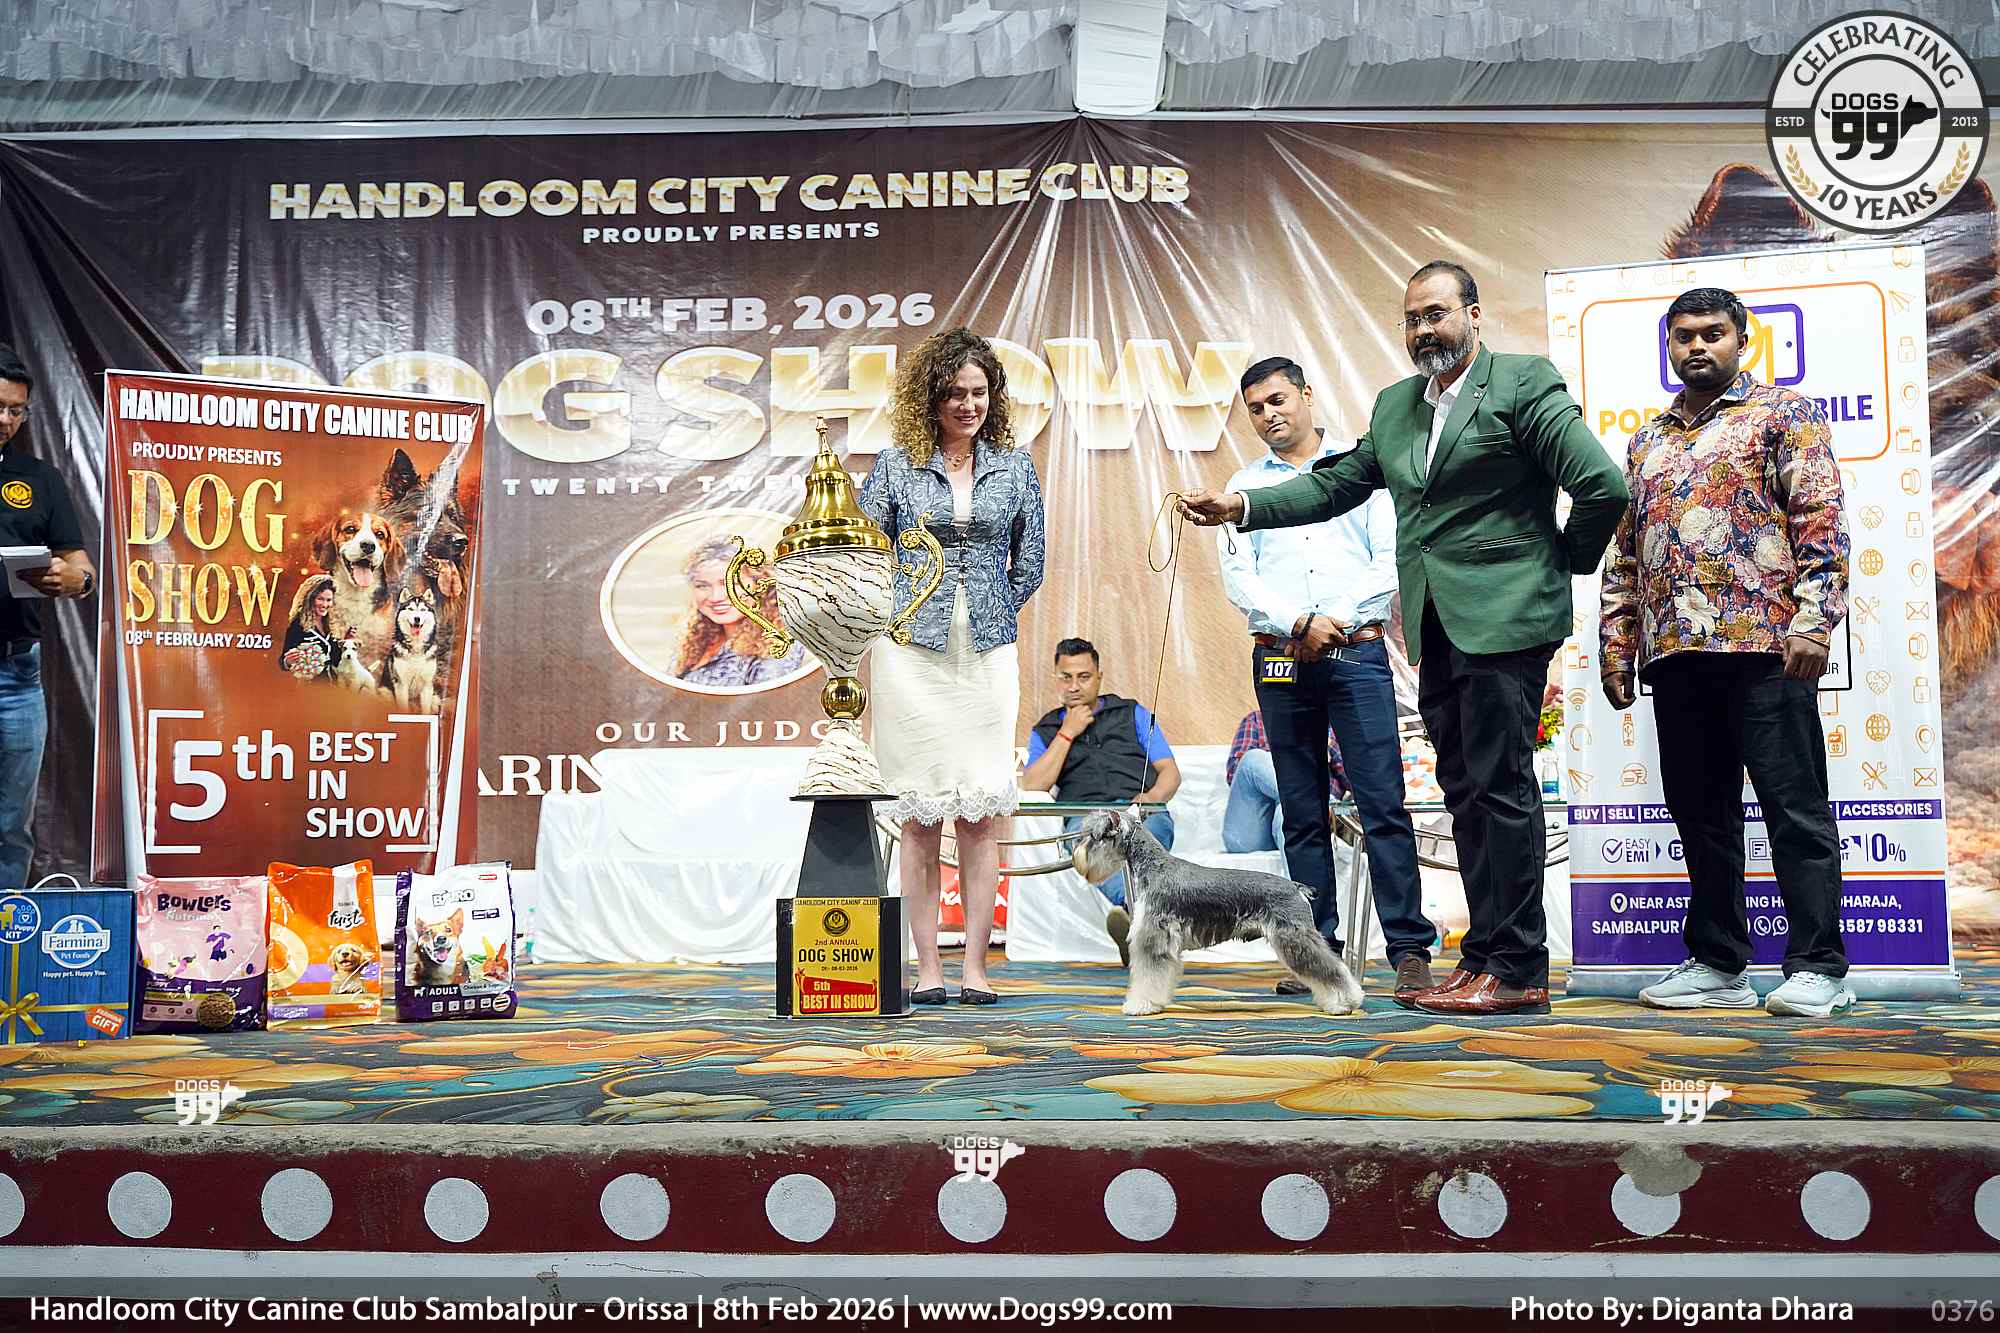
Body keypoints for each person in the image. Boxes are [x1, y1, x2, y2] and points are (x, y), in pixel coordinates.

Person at [1178, 261, 1629, 1017]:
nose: (1423, 330)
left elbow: (1602, 487)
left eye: (1436, 313)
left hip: (1507, 620)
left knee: (1502, 791)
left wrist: (1556, 564)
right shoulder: (1396, 407)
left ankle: (1520, 967)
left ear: (1474, 314)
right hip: (1435, 628)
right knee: (1467, 793)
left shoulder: (1522, 383)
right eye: (1412, 319)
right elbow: (1334, 485)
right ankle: (1484, 956)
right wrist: (1241, 507)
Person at [1601, 287, 1854, 1018]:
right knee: (1701, 817)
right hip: (1676, 654)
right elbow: (1626, 552)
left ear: (1743, 339)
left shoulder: (1782, 413)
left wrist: (1815, 620)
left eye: (1712, 333)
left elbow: (1821, 520)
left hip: (1766, 647)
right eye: (1684, 336)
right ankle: (1718, 965)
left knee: (1794, 809)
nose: (1697, 346)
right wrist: (1617, 643)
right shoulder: (1647, 441)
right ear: (1669, 346)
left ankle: (1819, 968)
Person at [1219, 356, 1439, 1004]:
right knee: (1302, 811)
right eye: (1256, 408)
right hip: (1280, 656)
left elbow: (1388, 559)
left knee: (1382, 804)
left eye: (1278, 400)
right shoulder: (1243, 486)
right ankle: (1316, 951)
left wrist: (1330, 621)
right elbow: (1239, 577)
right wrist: (1298, 622)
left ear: (1307, 394)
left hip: (1355, 651)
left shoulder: (1359, 470)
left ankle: (1409, 950)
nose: (1269, 415)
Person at [859, 328, 1045, 1007]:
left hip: (987, 655)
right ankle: (928, 968)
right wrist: (900, 608)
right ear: (930, 399)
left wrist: (990, 607)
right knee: (919, 816)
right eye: (954, 393)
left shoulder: (1015, 466)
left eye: (978, 392)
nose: (968, 404)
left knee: (979, 813)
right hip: (910, 653)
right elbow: (863, 549)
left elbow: (1031, 559)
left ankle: (975, 968)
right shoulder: (895, 466)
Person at [0, 345, 97, 890]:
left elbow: (80, 563)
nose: (5, 420)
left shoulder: (39, 478)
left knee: (10, 825)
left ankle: (5, 930)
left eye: (16, 410)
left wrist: (76, 580)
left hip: (16, 672)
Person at [1022, 638, 1181, 963]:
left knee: (1151, 836)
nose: (1074, 686)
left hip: (1140, 811)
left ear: (1099, 677)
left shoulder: (1133, 713)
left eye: (1083, 677)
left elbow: (1170, 773)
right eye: (1066, 677)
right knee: (1090, 845)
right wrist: (1067, 732)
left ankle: (1133, 920)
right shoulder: (1046, 730)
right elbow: (1034, 784)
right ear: (1056, 678)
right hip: (1085, 816)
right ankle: (1141, 920)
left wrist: (1150, 799)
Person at [675, 536, 807, 688]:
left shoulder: (779, 644)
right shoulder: (697, 639)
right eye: (702, 586)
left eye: (731, 583)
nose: (715, 597)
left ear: (759, 584)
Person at [1223, 709, 1346, 855]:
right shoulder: (1256, 720)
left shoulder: (1332, 726)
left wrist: (1327, 747)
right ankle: (1320, 801)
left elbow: (1354, 781)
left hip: (1306, 821)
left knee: (1289, 811)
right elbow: (1236, 773)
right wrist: (1280, 762)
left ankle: (1313, 803)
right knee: (1253, 759)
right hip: (1252, 830)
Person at [279, 574, 355, 682]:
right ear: (309, 599)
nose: (324, 604)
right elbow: (283, 662)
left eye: (329, 600)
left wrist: (347, 641)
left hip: (333, 685)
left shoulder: (332, 625)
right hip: (309, 687)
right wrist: (288, 661)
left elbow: (336, 660)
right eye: (320, 599)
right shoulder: (298, 626)